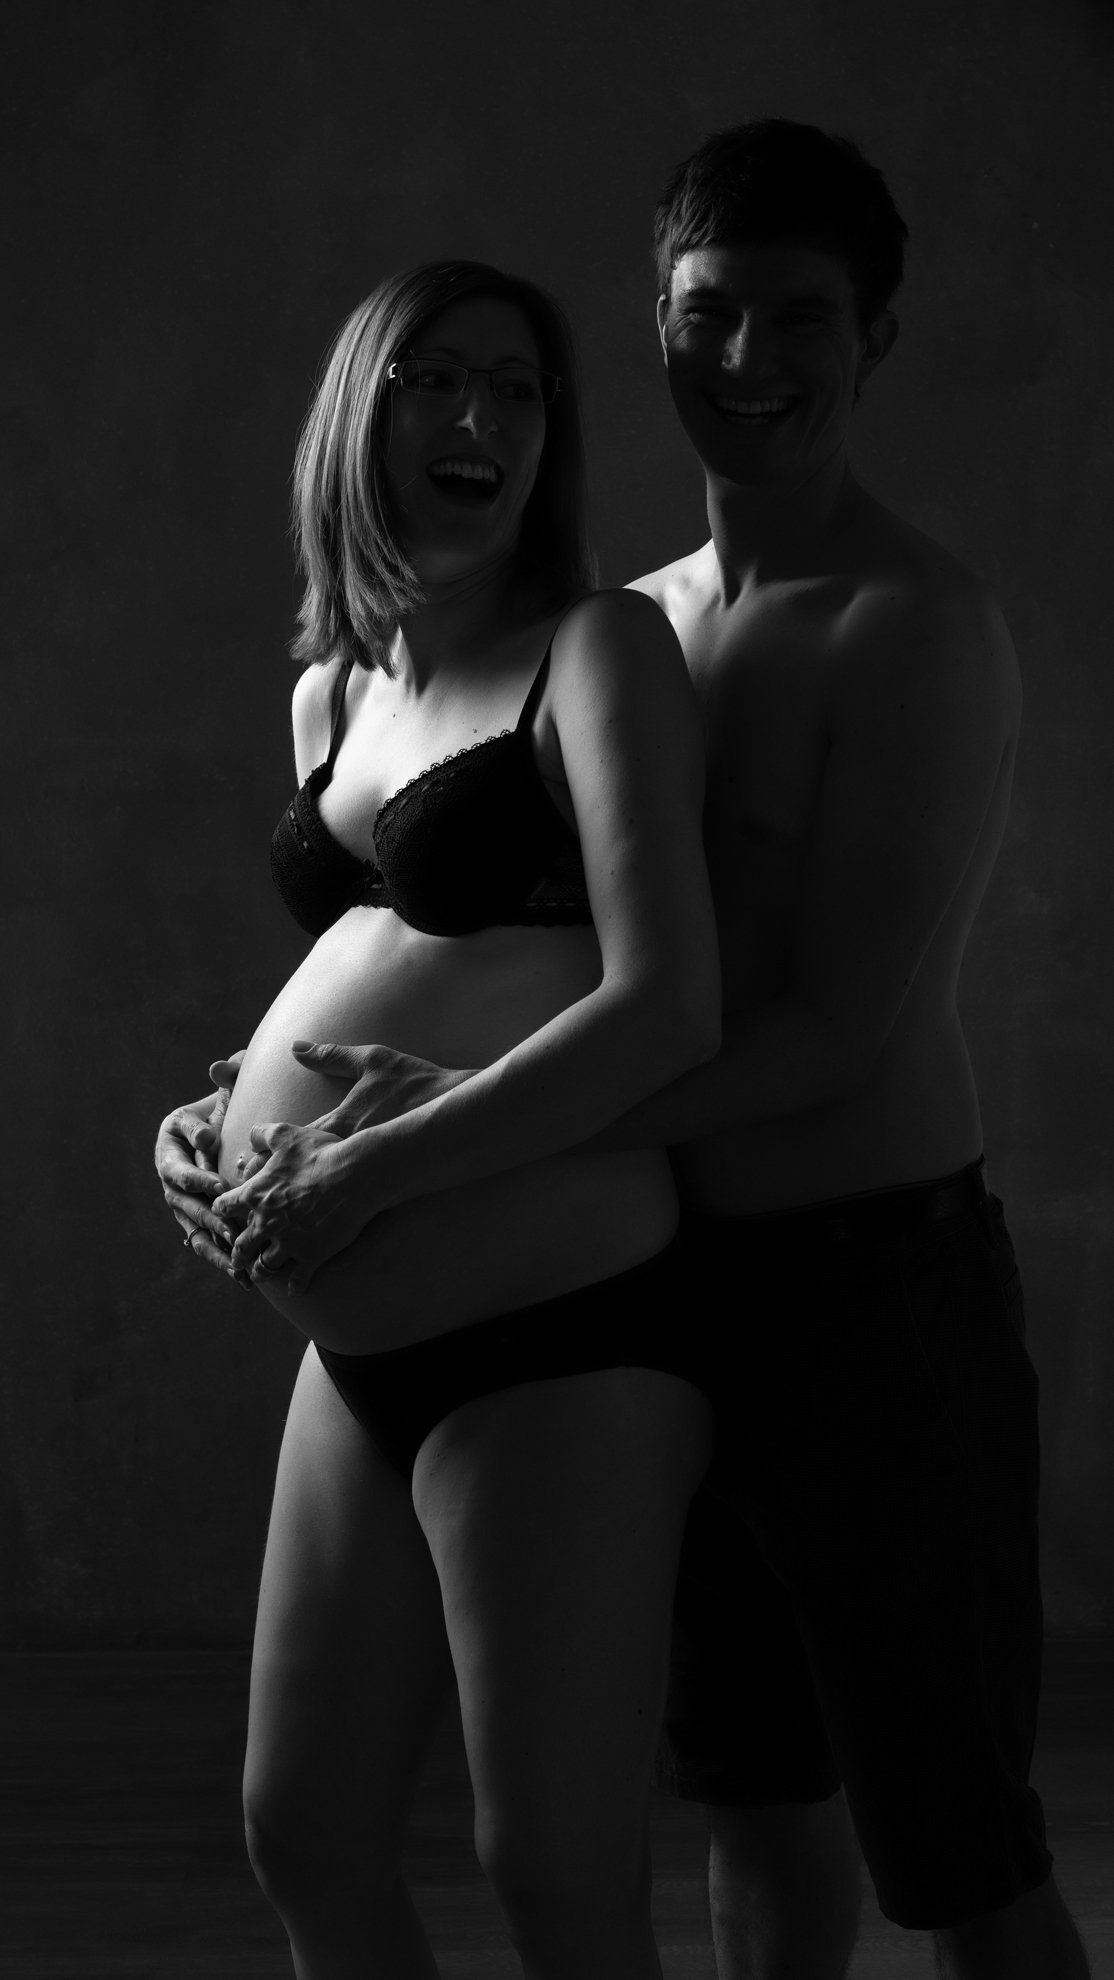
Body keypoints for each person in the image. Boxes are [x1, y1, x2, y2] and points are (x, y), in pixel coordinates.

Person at [156, 258, 722, 1980]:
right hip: (357, 1354)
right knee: (303, 1832)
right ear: (362, 416)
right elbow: (375, 972)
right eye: (437, 380)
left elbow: (665, 1005)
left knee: (552, 1869)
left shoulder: (593, 650)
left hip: (562, 1340)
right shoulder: (332, 695)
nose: (482, 419)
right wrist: (217, 1116)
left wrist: (373, 1168)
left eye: (518, 390)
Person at [604, 120, 1087, 1980]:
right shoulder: (629, 628)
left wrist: (484, 1134)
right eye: (708, 312)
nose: (746, 360)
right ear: (656, 316)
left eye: (797, 317)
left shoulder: (912, 624)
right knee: (751, 1803)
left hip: (876, 1301)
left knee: (956, 1855)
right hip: (670, 1286)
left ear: (872, 338)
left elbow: (826, 1035)